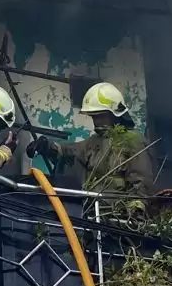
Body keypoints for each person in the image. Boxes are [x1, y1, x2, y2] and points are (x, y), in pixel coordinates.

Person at [27, 82, 157, 217]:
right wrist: (47, 146)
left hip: (119, 217)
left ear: (114, 113)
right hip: (92, 213)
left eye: (100, 116)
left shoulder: (133, 140)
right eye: (94, 117)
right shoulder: (95, 141)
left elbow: (142, 181)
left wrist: (136, 209)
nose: (96, 121)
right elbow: (70, 151)